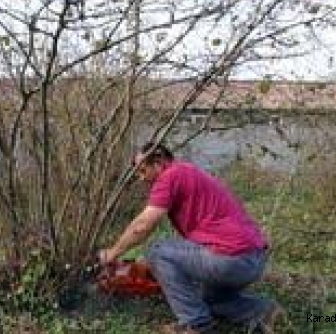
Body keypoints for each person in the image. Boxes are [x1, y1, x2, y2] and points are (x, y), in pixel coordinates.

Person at [99, 142, 283, 334]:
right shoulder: (187, 171)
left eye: (143, 170)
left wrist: (112, 253)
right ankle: (264, 311)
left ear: (159, 161)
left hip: (231, 258)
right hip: (253, 259)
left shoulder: (169, 176)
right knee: (211, 301)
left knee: (157, 251)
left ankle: (195, 325)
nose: (141, 178)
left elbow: (143, 226)